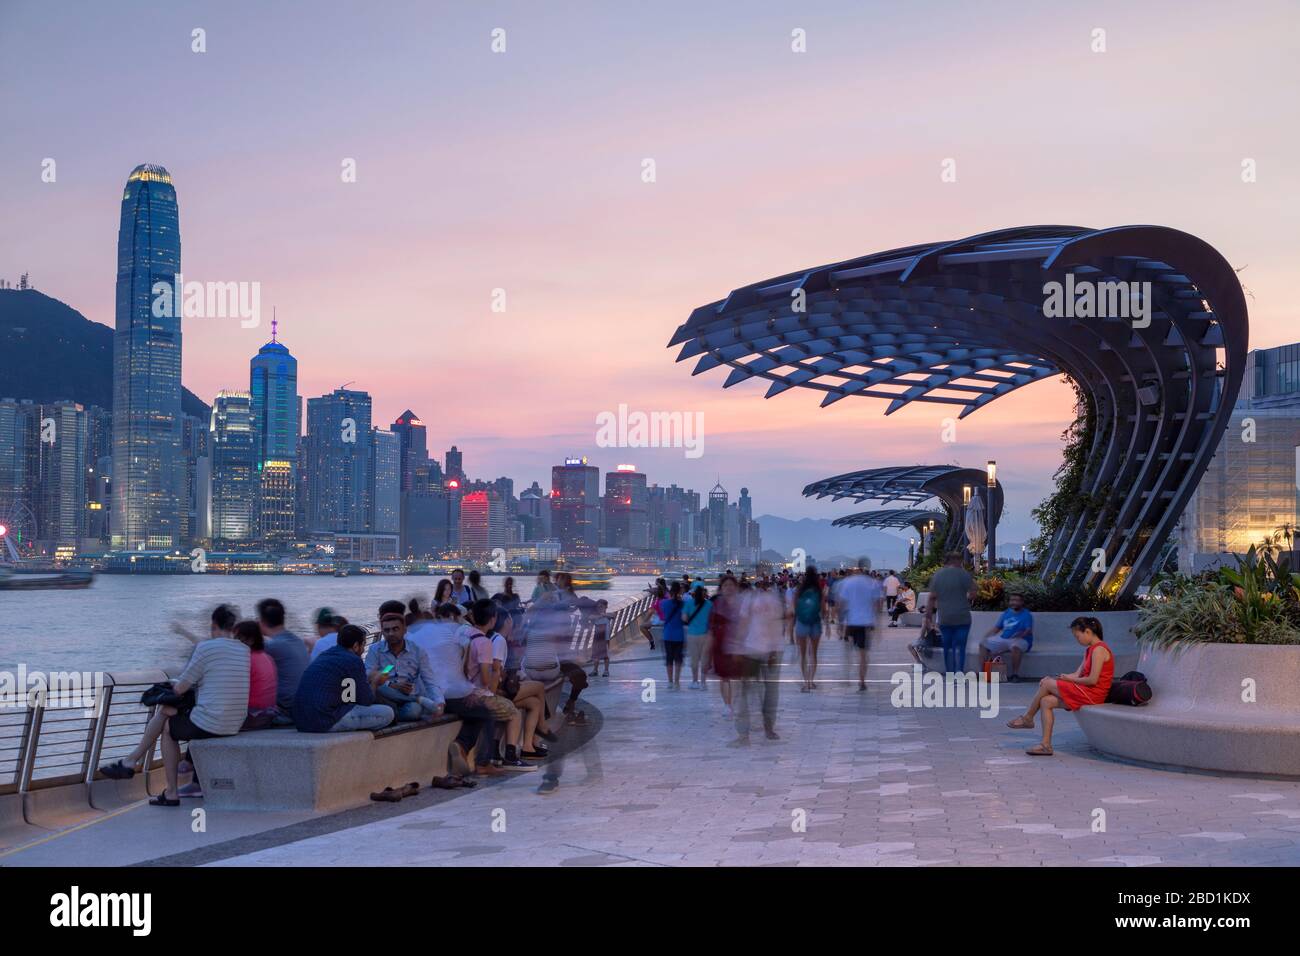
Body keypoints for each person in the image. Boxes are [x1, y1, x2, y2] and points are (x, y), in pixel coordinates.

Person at [100, 604, 250, 806]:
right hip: (234, 723)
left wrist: (173, 685)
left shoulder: (205, 648)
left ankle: (168, 790)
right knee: (167, 712)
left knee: (168, 728)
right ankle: (131, 761)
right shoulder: (243, 650)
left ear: (213, 625)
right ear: (233, 627)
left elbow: (181, 688)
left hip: (211, 723)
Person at [407, 602, 503, 776]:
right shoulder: (452, 633)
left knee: (474, 713)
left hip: (425, 695)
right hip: (442, 695)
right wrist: (471, 691)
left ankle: (462, 746)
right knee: (484, 713)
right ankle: (481, 761)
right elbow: (459, 668)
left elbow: (396, 668)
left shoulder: (413, 637)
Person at [1006, 616, 1113, 756]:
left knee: (1046, 683)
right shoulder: (1090, 650)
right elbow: (1077, 674)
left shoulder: (1099, 650)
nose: (1077, 640)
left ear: (1087, 632)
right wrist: (1060, 678)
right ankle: (1046, 745)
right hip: (1085, 691)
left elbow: (1092, 680)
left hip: (1093, 694)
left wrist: (1062, 681)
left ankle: (1027, 718)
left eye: (1077, 636)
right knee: (1046, 701)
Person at [464, 600, 536, 771]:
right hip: (477, 693)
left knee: (504, 708)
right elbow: (487, 675)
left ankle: (495, 755)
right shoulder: (485, 642)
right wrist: (493, 684)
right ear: (493, 619)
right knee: (512, 711)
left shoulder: (466, 634)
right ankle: (509, 757)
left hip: (461, 690)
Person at [294, 625, 394, 733]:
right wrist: (375, 682)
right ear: (356, 646)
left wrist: (365, 679)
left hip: (302, 722)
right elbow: (366, 701)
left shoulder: (325, 655)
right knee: (387, 713)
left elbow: (347, 695)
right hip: (324, 721)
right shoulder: (353, 660)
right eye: (364, 644)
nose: (364, 649)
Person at [367, 601, 444, 721]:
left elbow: (430, 680)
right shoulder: (375, 650)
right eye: (387, 630)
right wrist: (392, 684)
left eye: (395, 629)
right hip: (385, 696)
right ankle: (416, 701)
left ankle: (394, 715)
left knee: (414, 710)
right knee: (376, 684)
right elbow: (369, 675)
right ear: (382, 631)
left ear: (404, 629)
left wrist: (439, 702)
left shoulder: (417, 651)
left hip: (407, 697)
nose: (391, 633)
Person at [732, 580, 784, 744]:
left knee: (770, 692)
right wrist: (739, 647)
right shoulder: (750, 599)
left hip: (769, 650)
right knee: (745, 691)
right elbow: (743, 624)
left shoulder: (774, 601)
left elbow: (777, 626)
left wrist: (774, 651)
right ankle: (744, 733)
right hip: (751, 649)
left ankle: (767, 728)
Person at [923, 553, 977, 673]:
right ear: (959, 561)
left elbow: (932, 597)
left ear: (947, 561)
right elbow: (973, 593)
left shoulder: (938, 576)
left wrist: (928, 615)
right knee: (961, 647)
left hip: (945, 617)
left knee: (948, 647)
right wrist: (964, 599)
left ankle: (950, 673)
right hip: (963, 617)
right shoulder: (964, 575)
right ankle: (959, 673)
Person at [258, 598, 308, 723]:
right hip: (304, 705)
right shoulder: (298, 641)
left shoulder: (272, 646)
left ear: (261, 621)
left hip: (286, 711)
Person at [836, 560, 883, 691]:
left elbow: (841, 603)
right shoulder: (872, 583)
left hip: (850, 621)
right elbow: (877, 604)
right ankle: (862, 680)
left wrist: (840, 623)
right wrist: (877, 623)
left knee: (849, 649)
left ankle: (846, 676)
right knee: (863, 654)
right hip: (865, 622)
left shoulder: (848, 582)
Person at [979, 592, 1034, 681]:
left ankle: (1015, 675)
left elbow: (1028, 630)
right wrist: (986, 637)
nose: (1014, 602)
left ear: (1022, 602)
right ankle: (983, 673)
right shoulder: (1006, 613)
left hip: (1021, 640)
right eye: (1012, 600)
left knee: (1015, 647)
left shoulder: (1026, 615)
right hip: (1004, 639)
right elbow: (997, 628)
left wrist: (1019, 635)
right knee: (983, 644)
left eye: (1017, 600)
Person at [236, 619, 280, 732]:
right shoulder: (267, 657)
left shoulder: (245, 660)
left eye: (237, 639)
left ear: (250, 640)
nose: (233, 642)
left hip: (253, 717)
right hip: (269, 715)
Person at [708, 576, 743, 716]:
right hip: (720, 645)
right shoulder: (715, 604)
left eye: (731, 585)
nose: (728, 588)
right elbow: (710, 626)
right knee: (724, 677)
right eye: (725, 585)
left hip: (737, 644)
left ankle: (733, 702)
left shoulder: (742, 604)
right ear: (721, 588)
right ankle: (727, 705)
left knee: (737, 677)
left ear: (735, 587)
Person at [793, 567, 824, 692]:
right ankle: (811, 681)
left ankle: (805, 682)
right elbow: (823, 609)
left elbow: (794, 607)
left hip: (801, 623)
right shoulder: (818, 590)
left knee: (803, 654)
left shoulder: (799, 590)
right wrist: (826, 623)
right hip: (815, 623)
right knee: (813, 654)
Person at [682, 585, 711, 689]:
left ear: (693, 594)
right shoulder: (709, 604)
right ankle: (703, 683)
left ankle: (695, 681)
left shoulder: (689, 603)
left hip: (692, 634)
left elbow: (684, 618)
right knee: (704, 659)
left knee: (694, 659)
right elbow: (712, 619)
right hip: (706, 635)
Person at [660, 581, 687, 689]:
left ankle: (670, 681)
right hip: (679, 635)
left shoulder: (664, 603)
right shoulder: (683, 604)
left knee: (669, 659)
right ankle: (677, 682)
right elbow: (685, 619)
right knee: (678, 659)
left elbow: (663, 616)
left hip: (667, 634)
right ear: (680, 591)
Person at [587, 598, 611, 678]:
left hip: (605, 638)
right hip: (597, 638)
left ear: (606, 607)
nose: (600, 608)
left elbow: (613, 615)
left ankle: (606, 670)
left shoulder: (608, 616)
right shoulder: (596, 617)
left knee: (605, 655)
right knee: (595, 655)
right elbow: (590, 617)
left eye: (602, 606)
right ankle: (595, 670)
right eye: (598, 607)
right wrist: (600, 615)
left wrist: (604, 615)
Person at [639, 580, 666, 650]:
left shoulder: (657, 602)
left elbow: (650, 612)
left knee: (642, 626)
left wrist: (644, 621)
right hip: (668, 620)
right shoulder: (668, 598)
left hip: (661, 621)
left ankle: (651, 642)